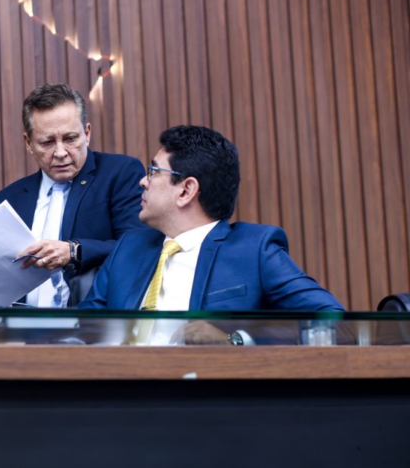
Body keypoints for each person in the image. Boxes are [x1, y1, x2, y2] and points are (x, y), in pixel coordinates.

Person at [79, 125, 344, 344]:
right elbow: (82, 330)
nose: (142, 181)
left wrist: (234, 341)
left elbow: (334, 323)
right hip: (119, 386)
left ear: (186, 190)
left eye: (154, 172)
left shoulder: (254, 250)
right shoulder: (128, 249)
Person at [0, 83, 147, 307]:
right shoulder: (9, 199)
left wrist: (74, 251)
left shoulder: (119, 173)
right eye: (47, 142)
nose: (60, 152)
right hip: (21, 325)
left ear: (87, 133)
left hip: (91, 322)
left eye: (70, 138)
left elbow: (139, 248)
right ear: (28, 143)